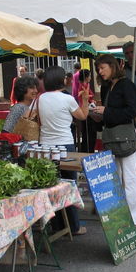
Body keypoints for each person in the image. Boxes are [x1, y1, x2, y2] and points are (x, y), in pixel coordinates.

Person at [92, 54, 136, 227]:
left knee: (129, 177)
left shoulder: (126, 85)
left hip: (125, 136)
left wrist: (106, 111)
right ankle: (121, 215)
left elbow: (131, 112)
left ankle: (135, 218)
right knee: (117, 178)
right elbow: (110, 113)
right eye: (98, 69)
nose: (100, 71)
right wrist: (99, 115)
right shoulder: (107, 87)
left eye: (102, 68)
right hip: (112, 137)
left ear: (112, 66)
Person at [38, 65, 89, 236]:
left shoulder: (41, 98)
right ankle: (74, 226)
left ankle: (56, 225)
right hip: (65, 146)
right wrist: (85, 100)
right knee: (69, 186)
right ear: (61, 80)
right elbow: (83, 116)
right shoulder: (67, 99)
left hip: (46, 146)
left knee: (52, 185)